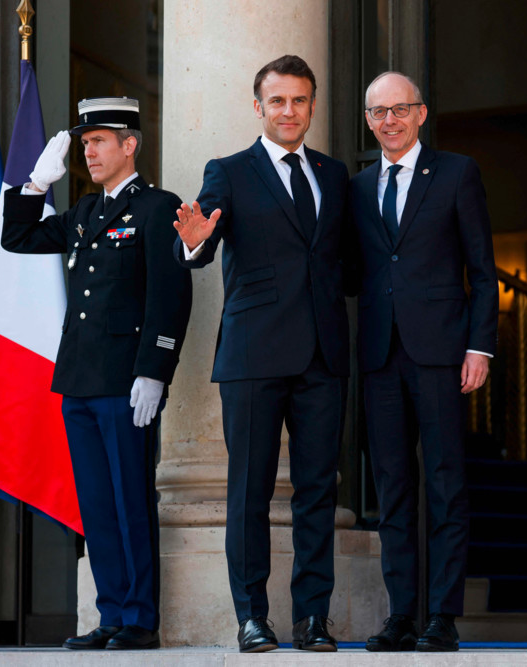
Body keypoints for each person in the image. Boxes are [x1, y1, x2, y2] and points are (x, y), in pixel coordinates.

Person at [1, 97, 193, 650]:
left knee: (131, 499)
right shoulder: (84, 214)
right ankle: (111, 613)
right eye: (84, 143)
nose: (88, 152)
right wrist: (36, 184)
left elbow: (169, 292)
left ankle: (139, 620)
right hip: (79, 380)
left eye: (99, 141)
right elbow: (18, 238)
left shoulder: (158, 208)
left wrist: (155, 369)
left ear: (129, 144)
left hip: (125, 380)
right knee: (97, 505)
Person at [172, 55, 350, 653]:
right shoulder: (228, 170)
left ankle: (313, 619)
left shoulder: (334, 173)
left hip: (323, 354)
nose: (289, 111)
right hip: (253, 355)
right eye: (278, 101)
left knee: (317, 491)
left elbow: (344, 260)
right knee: (248, 491)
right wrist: (195, 246)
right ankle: (252, 616)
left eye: (299, 100)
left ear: (312, 106)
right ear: (259, 107)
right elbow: (204, 236)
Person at [349, 71, 498, 652]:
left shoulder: (457, 172)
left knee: (445, 484)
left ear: (421, 113)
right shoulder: (358, 187)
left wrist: (479, 347)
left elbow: (483, 271)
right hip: (381, 355)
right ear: (368, 120)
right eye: (379, 112)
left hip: (441, 352)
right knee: (392, 490)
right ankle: (400, 616)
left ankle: (442, 615)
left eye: (400, 110)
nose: (389, 120)